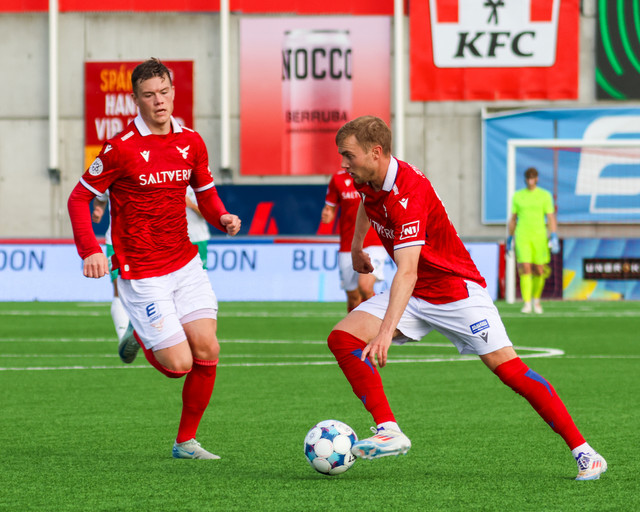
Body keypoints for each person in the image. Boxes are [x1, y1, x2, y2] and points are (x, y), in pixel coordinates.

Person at [326, 116, 606, 481]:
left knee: (511, 371)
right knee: (342, 338)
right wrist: (356, 247)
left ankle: (586, 453)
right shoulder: (367, 178)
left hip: (455, 291)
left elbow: (407, 272)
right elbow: (367, 203)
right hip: (416, 293)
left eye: (348, 155)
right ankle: (388, 430)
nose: (343, 164)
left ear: (375, 153)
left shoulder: (409, 192)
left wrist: (384, 333)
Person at [68, 58, 241, 460]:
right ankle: (138, 332)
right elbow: (78, 198)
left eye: (164, 92)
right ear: (136, 99)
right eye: (149, 95)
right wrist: (90, 249)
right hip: (142, 272)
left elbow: (205, 194)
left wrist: (222, 217)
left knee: (208, 349)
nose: (159, 101)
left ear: (173, 93)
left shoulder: (191, 142)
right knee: (179, 365)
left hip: (186, 263)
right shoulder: (119, 148)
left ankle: (186, 443)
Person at [321, 169, 387, 311]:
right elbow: (330, 207)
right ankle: (357, 325)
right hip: (348, 245)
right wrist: (328, 213)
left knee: (365, 287)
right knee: (353, 298)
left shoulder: (374, 175)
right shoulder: (337, 179)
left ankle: (377, 319)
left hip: (374, 242)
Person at [507, 167, 559, 314]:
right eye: (528, 177)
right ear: (525, 179)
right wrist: (510, 237)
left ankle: (536, 300)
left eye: (533, 177)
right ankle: (527, 303)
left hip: (539, 237)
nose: (530, 180)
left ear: (537, 179)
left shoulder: (545, 195)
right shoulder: (518, 196)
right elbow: (513, 218)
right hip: (522, 236)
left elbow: (550, 217)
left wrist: (554, 235)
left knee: (539, 270)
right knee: (525, 268)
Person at [91, 192, 137, 356]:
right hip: (117, 241)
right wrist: (99, 209)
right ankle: (125, 340)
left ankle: (150, 334)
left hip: (147, 241)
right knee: (119, 288)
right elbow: (101, 198)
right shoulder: (112, 176)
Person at [185, 185, 211, 269]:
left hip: (197, 238)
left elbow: (208, 214)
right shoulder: (170, 186)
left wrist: (191, 205)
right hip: (178, 240)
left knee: (200, 271)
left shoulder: (200, 187)